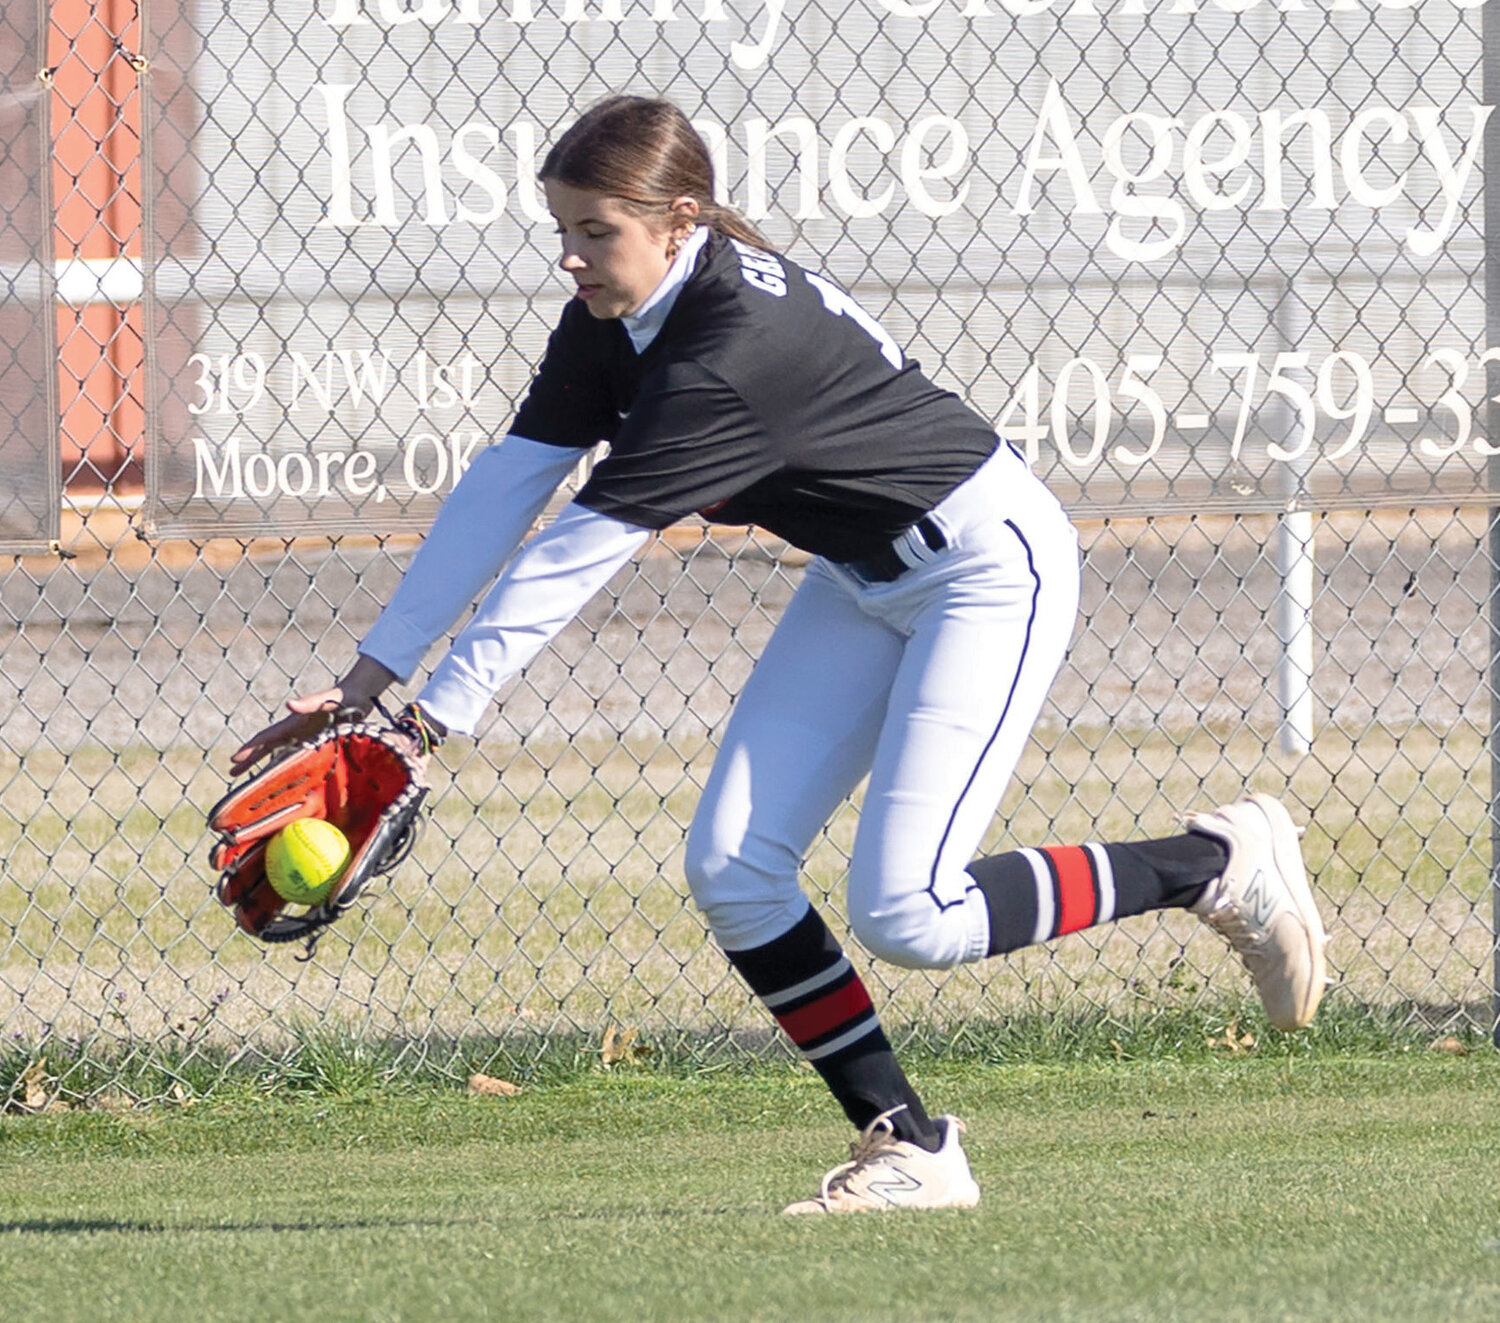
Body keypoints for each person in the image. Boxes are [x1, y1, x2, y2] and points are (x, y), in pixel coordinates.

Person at [233, 95, 1327, 1214]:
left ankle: (1210, 867)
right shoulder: (618, 315)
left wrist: (425, 723)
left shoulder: (727, 355)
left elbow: (574, 552)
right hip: (863, 580)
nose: (570, 257)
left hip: (987, 569)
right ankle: (908, 1146)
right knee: (734, 869)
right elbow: (508, 482)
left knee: (913, 915)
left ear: (680, 219)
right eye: (560, 230)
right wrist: (373, 679)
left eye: (595, 232)